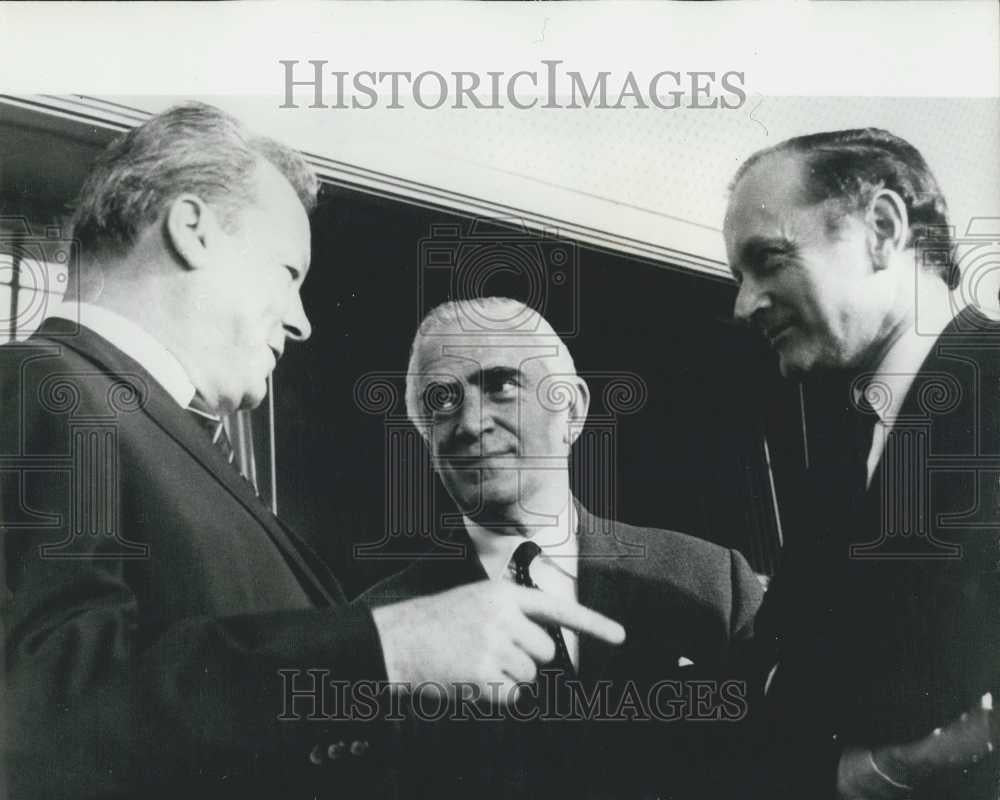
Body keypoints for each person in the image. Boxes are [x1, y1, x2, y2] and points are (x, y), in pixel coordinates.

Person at [0, 103, 626, 800]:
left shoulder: (132, 419)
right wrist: (388, 648)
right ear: (192, 230)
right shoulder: (38, 386)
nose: (300, 322)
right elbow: (45, 716)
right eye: (289, 273)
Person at [361, 296, 765, 799]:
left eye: (501, 386)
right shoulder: (381, 626)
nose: (469, 423)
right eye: (441, 400)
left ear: (571, 409)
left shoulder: (711, 581)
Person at [723, 128, 999, 799]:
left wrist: (880, 773)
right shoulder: (844, 453)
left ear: (882, 229)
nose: (743, 304)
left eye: (768, 259)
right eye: (739, 277)